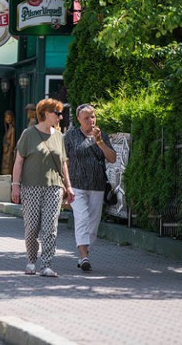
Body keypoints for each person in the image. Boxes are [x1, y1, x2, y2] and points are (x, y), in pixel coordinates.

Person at [11, 98, 75, 278]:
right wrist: (15, 186)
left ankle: (47, 264)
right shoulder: (28, 134)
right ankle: (31, 261)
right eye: (58, 113)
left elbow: (63, 164)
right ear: (46, 114)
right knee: (32, 227)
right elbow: (18, 161)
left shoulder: (59, 136)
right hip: (30, 186)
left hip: (54, 187)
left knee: (50, 227)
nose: (61, 117)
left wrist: (68, 187)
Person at [65, 103, 117, 272]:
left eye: (93, 116)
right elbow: (62, 160)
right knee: (82, 217)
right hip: (77, 185)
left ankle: (85, 254)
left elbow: (112, 158)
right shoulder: (70, 136)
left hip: (97, 185)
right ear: (79, 119)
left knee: (93, 223)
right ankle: (83, 256)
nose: (91, 120)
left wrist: (100, 141)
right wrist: (64, 185)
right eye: (86, 118)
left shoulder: (102, 136)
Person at [1, 110, 16, 175]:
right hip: (6, 151)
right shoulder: (8, 129)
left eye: (9, 117)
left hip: (9, 152)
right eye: (7, 117)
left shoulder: (12, 129)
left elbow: (12, 143)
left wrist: (10, 148)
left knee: (7, 168)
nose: (8, 119)